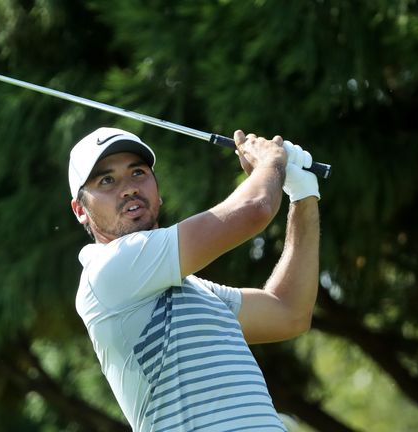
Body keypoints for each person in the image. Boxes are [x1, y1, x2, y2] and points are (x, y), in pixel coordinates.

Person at [68, 127, 320, 431]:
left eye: (138, 173)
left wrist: (303, 195)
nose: (128, 188)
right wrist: (270, 162)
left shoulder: (195, 290)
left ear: (157, 189)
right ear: (80, 210)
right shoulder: (108, 271)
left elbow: (288, 312)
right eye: (107, 180)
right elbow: (255, 209)